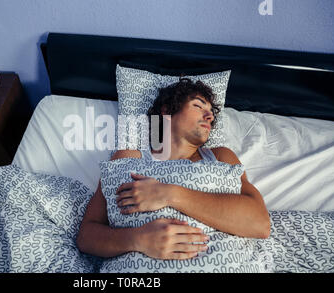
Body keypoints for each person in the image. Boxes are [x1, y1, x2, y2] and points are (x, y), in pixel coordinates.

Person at [76, 78, 270, 261]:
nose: (209, 116)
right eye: (198, 105)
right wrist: (136, 239)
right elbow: (86, 236)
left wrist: (170, 194)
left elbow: (259, 223)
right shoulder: (128, 158)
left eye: (211, 112)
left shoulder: (221, 156)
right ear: (167, 110)